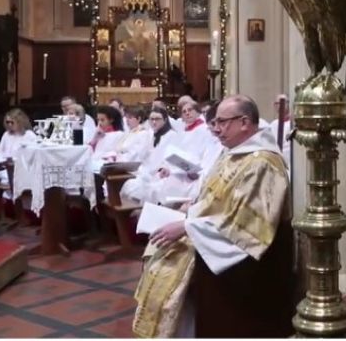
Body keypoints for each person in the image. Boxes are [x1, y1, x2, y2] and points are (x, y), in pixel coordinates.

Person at [133, 95, 292, 338]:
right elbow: (216, 200)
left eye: (222, 122)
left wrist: (187, 227)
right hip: (210, 233)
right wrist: (190, 209)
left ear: (245, 122)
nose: (215, 130)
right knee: (158, 256)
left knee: (168, 270)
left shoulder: (262, 163)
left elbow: (248, 225)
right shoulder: (235, 153)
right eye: (214, 122)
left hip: (244, 259)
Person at [120, 107, 179, 204]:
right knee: (129, 185)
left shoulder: (172, 135)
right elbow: (143, 155)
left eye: (157, 119)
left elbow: (172, 158)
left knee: (144, 190)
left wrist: (163, 169)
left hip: (161, 175)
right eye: (151, 119)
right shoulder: (150, 134)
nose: (154, 122)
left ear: (165, 119)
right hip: (147, 172)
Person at [267, 94, 291, 170]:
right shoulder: (272, 125)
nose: (280, 106)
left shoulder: (293, 124)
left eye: (283, 102)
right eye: (277, 103)